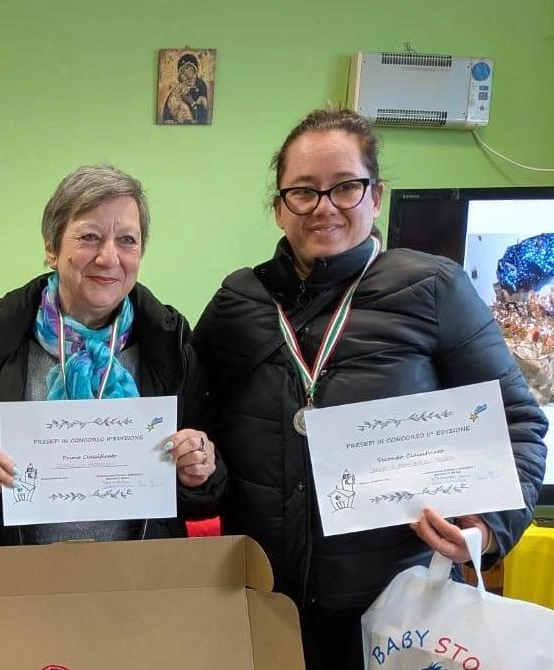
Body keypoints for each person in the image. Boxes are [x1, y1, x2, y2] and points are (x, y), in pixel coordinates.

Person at [192, 108, 548, 670]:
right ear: (278, 206)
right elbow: (195, 427)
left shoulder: (434, 288)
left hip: (392, 609)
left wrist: (487, 526)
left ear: (376, 196)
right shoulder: (238, 302)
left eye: (346, 188)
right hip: (260, 599)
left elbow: (519, 423)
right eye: (303, 191)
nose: (324, 206)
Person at [0, 165, 225, 547]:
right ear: (52, 248)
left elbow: (210, 488)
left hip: (140, 582)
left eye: (127, 239)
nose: (109, 256)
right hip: (18, 582)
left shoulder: (170, 344)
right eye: (90, 237)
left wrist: (199, 469)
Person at [161, 53, 210, 125]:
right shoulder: (180, 86)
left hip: (196, 121)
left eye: (188, 68)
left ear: (194, 69)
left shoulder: (200, 85)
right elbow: (169, 104)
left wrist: (195, 103)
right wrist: (168, 118)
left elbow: (204, 109)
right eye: (183, 70)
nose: (186, 72)